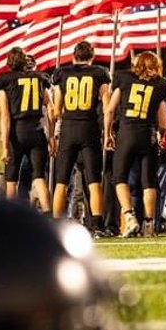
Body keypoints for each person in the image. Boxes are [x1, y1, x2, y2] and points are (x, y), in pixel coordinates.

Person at [105, 51, 166, 237]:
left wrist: (108, 133)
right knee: (149, 181)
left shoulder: (123, 78)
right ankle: (149, 224)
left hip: (126, 132)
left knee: (119, 178)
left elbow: (110, 110)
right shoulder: (161, 84)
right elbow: (163, 122)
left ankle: (129, 216)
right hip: (148, 134)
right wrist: (160, 134)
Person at [47, 42, 111, 229]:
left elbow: (57, 109)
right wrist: (107, 132)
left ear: (74, 55)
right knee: (93, 180)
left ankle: (56, 224)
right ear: (92, 56)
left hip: (68, 127)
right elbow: (107, 106)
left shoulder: (62, 74)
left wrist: (55, 132)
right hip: (89, 127)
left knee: (61, 181)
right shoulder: (100, 73)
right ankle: (97, 225)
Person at [0, 48, 52, 212]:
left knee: (11, 178)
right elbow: (51, 108)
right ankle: (48, 214)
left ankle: (10, 215)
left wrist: (4, 146)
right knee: (39, 176)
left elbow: (5, 114)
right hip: (37, 129)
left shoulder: (4, 80)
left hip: (17, 131)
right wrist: (52, 136)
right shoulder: (39, 78)